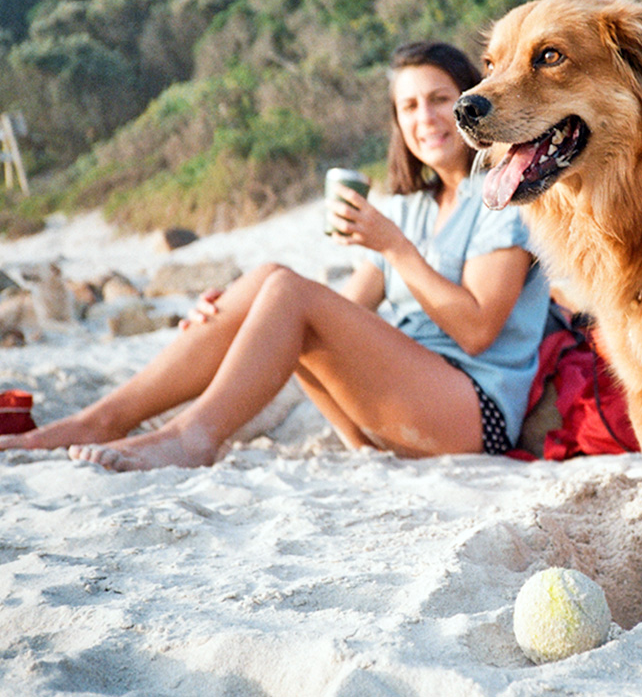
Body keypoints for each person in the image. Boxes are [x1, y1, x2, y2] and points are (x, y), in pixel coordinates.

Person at [0, 41, 550, 470]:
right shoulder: (408, 209)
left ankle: (192, 437)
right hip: (396, 409)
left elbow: (478, 330)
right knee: (270, 281)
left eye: (438, 99)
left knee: (285, 289)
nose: (425, 118)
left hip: (470, 415)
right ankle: (102, 418)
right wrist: (242, 314)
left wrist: (395, 250)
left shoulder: (503, 196)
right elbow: (340, 315)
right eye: (408, 106)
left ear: (472, 100)